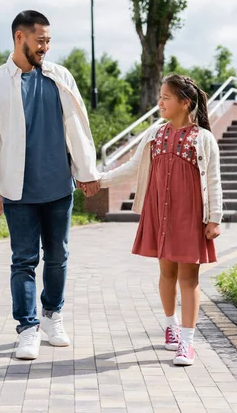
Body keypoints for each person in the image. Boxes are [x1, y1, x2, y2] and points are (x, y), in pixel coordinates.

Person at [0, 10, 100, 360]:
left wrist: (87, 171)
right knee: (24, 260)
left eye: (48, 40)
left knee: (58, 257)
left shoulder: (60, 77)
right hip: (18, 192)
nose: (46, 46)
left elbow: (79, 127)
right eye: (39, 40)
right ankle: (27, 328)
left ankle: (51, 316)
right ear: (19, 38)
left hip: (59, 187)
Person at [83, 75, 222, 366]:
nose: (160, 102)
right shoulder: (154, 134)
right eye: (160, 96)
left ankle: (187, 342)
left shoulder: (203, 138)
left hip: (191, 217)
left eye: (166, 98)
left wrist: (214, 218)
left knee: (189, 278)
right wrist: (99, 180)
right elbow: (132, 168)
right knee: (166, 274)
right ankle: (170, 325)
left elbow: (213, 180)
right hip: (160, 213)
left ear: (185, 103)